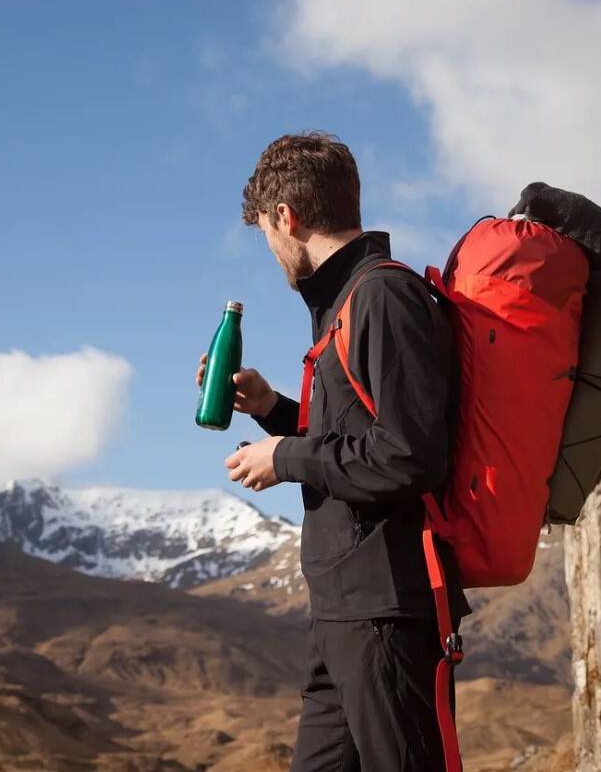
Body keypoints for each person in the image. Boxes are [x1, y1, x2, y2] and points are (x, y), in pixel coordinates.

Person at [195, 132, 470, 771]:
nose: (271, 249)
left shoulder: (382, 296)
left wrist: (284, 456)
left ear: (285, 218)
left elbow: (408, 455)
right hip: (344, 615)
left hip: (389, 610)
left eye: (266, 230)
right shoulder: (345, 305)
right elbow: (354, 439)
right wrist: (271, 410)